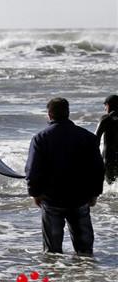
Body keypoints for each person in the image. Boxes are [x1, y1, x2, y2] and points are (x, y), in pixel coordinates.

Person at [25, 98, 105, 256]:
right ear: (68, 113)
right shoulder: (87, 137)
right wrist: (95, 193)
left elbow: (32, 169)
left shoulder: (40, 138)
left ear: (49, 114)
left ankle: (56, 278)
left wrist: (34, 193)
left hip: (51, 199)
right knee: (85, 252)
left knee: (52, 253)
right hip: (80, 197)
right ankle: (86, 277)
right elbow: (98, 169)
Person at [95, 94, 118, 184]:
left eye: (105, 106)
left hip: (109, 159)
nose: (105, 109)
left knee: (110, 186)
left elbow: (95, 140)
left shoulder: (106, 119)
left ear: (108, 105)